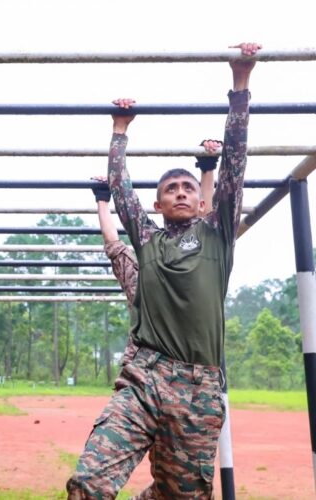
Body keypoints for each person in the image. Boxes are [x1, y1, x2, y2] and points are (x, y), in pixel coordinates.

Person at [67, 42, 261, 499]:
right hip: (143, 377)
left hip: (198, 387)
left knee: (182, 496)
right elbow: (120, 188)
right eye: (169, 188)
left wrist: (241, 83)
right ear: (158, 204)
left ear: (201, 200)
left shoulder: (218, 235)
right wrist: (120, 131)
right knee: (89, 484)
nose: (178, 193)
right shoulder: (148, 241)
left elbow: (236, 161)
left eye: (186, 187)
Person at [91, 139, 220, 366]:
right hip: (150, 360)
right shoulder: (138, 271)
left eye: (186, 189)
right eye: (174, 190)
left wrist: (207, 168)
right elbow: (114, 246)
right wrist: (103, 198)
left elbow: (203, 223)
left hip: (185, 357)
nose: (180, 194)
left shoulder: (191, 255)